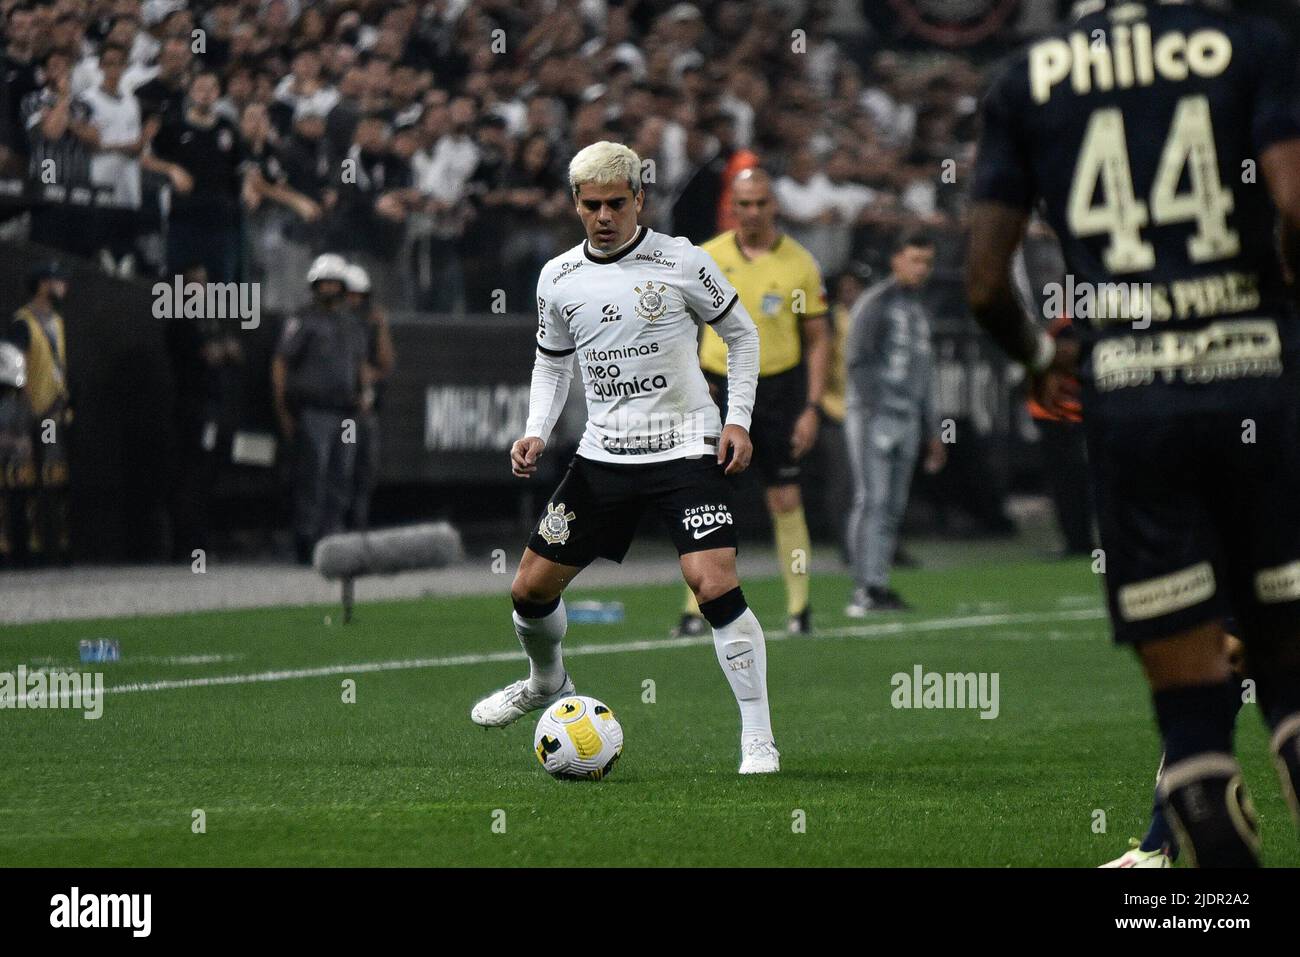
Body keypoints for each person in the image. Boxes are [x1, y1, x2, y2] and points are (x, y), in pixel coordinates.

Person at [966, 0, 1300, 865]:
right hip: (1253, 379)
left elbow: (982, 284)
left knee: (1193, 713)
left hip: (1132, 404)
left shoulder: (1027, 78)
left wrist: (1039, 355)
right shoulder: (1250, 44)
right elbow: (1294, 203)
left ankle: (1196, 867)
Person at [469, 141, 778, 775]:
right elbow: (551, 362)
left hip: (686, 446)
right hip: (604, 456)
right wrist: (535, 431)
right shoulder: (557, 277)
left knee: (712, 582)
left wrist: (739, 421)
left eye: (617, 203)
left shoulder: (681, 260)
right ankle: (547, 684)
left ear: (640, 198)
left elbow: (743, 336)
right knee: (529, 589)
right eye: (592, 206)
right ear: (575, 205)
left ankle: (757, 737)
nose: (605, 216)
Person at [676, 167, 831, 637]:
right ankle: (694, 608)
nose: (752, 212)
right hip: (716, 385)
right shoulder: (708, 257)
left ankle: (800, 608)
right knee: (705, 498)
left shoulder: (799, 263)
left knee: (784, 497)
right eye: (743, 204)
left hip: (778, 388)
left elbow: (818, 337)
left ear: (774, 206)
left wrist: (812, 406)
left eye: (760, 203)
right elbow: (678, 323)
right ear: (732, 206)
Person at [843, 233, 947, 615]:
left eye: (927, 262)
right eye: (915, 259)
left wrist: (932, 430)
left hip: (907, 419)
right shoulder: (875, 303)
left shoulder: (919, 310)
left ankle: (878, 583)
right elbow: (857, 362)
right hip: (874, 416)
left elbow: (925, 375)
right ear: (896, 260)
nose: (922, 269)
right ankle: (863, 588)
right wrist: (877, 410)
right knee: (872, 499)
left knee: (892, 506)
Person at [271, 253, 370, 564]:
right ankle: (307, 540)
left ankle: (333, 539)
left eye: (334, 282)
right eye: (323, 282)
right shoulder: (303, 319)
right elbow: (281, 363)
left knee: (342, 475)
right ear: (315, 285)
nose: (329, 288)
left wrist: (365, 392)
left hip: (346, 412)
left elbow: (360, 363)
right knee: (313, 475)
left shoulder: (351, 321)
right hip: (314, 410)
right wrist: (282, 407)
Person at [6, 261, 73, 565]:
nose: (64, 287)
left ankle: (53, 546)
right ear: (44, 284)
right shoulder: (22, 323)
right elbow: (11, 373)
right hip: (28, 413)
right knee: (22, 480)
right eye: (58, 281)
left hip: (53, 413)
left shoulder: (56, 322)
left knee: (54, 478)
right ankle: (21, 549)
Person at [341, 263, 394, 531]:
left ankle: (357, 530)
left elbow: (385, 364)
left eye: (358, 295)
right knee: (339, 473)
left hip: (364, 411)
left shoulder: (370, 322)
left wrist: (381, 325)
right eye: (349, 294)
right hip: (339, 411)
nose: (354, 301)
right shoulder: (334, 323)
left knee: (365, 472)